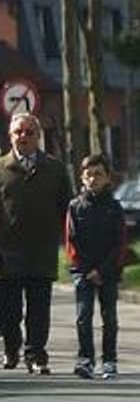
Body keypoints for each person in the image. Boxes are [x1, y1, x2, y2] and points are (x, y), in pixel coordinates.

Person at [0, 112, 72, 374]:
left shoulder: (55, 169)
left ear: (38, 136)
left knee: (38, 310)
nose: (23, 137)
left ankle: (36, 354)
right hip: (5, 252)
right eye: (18, 132)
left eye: (29, 132)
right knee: (8, 312)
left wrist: (61, 240)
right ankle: (12, 348)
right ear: (10, 136)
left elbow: (65, 207)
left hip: (40, 251)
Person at [65, 154, 126, 379]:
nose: (93, 179)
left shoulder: (114, 207)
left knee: (109, 317)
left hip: (107, 272)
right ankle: (86, 359)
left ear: (107, 178)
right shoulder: (75, 207)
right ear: (82, 178)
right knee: (84, 315)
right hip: (83, 271)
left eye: (98, 174)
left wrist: (102, 270)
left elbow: (120, 243)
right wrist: (87, 269)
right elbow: (71, 242)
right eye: (88, 175)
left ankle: (109, 360)